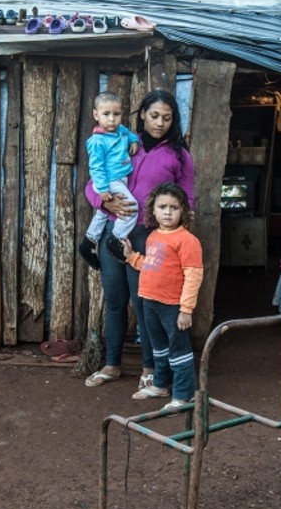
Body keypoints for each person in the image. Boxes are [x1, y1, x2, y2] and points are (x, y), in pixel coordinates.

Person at [82, 90, 196, 391]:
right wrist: (103, 203)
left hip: (150, 238)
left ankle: (150, 367)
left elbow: (188, 199)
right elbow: (93, 184)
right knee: (116, 301)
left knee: (145, 302)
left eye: (167, 118)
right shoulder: (121, 141)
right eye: (154, 115)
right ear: (142, 114)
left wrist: (176, 240)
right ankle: (112, 364)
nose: (159, 123)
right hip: (113, 232)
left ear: (174, 121)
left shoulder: (178, 155)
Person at [121, 183, 203, 410]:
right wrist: (131, 257)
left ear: (183, 211)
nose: (168, 212)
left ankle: (184, 394)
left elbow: (194, 276)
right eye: (162, 207)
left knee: (179, 349)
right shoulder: (154, 236)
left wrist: (186, 310)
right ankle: (160, 385)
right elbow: (152, 266)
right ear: (153, 210)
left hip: (173, 305)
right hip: (150, 302)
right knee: (159, 347)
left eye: (174, 207)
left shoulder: (187, 240)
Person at [78, 91, 141, 268]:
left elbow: (129, 134)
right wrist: (103, 189)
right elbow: (95, 167)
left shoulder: (120, 131)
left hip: (120, 179)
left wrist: (134, 141)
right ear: (95, 115)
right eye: (106, 114)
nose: (112, 119)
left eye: (116, 114)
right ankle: (116, 239)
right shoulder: (97, 141)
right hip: (109, 181)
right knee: (132, 208)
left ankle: (89, 241)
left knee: (104, 212)